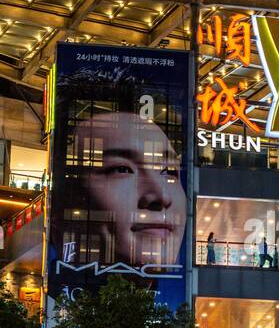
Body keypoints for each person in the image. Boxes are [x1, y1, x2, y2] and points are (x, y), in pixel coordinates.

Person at [58, 84, 187, 295]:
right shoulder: (58, 310)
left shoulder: (176, 307)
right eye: (122, 169)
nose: (161, 195)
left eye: (169, 171)